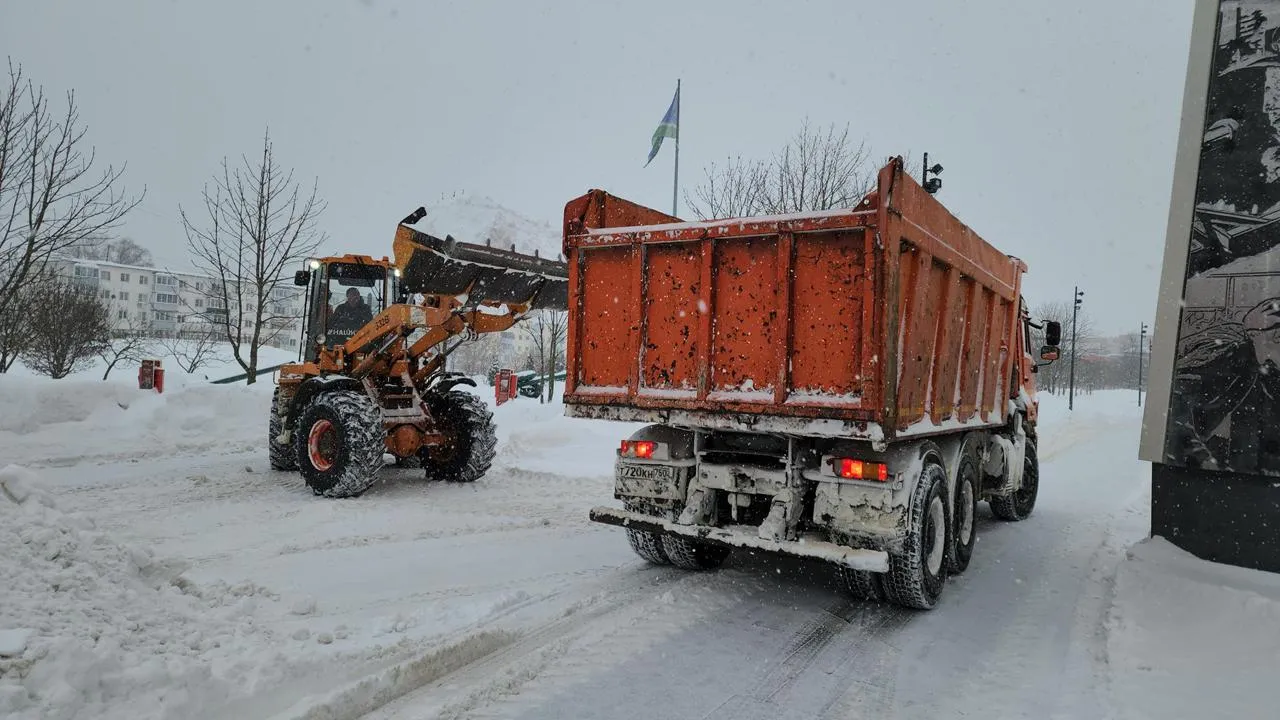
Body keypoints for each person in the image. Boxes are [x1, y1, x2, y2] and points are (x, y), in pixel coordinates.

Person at [1167, 297, 1280, 473]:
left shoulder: (1264, 368)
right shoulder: (1224, 357)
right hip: (1196, 463)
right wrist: (1200, 457)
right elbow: (1173, 406)